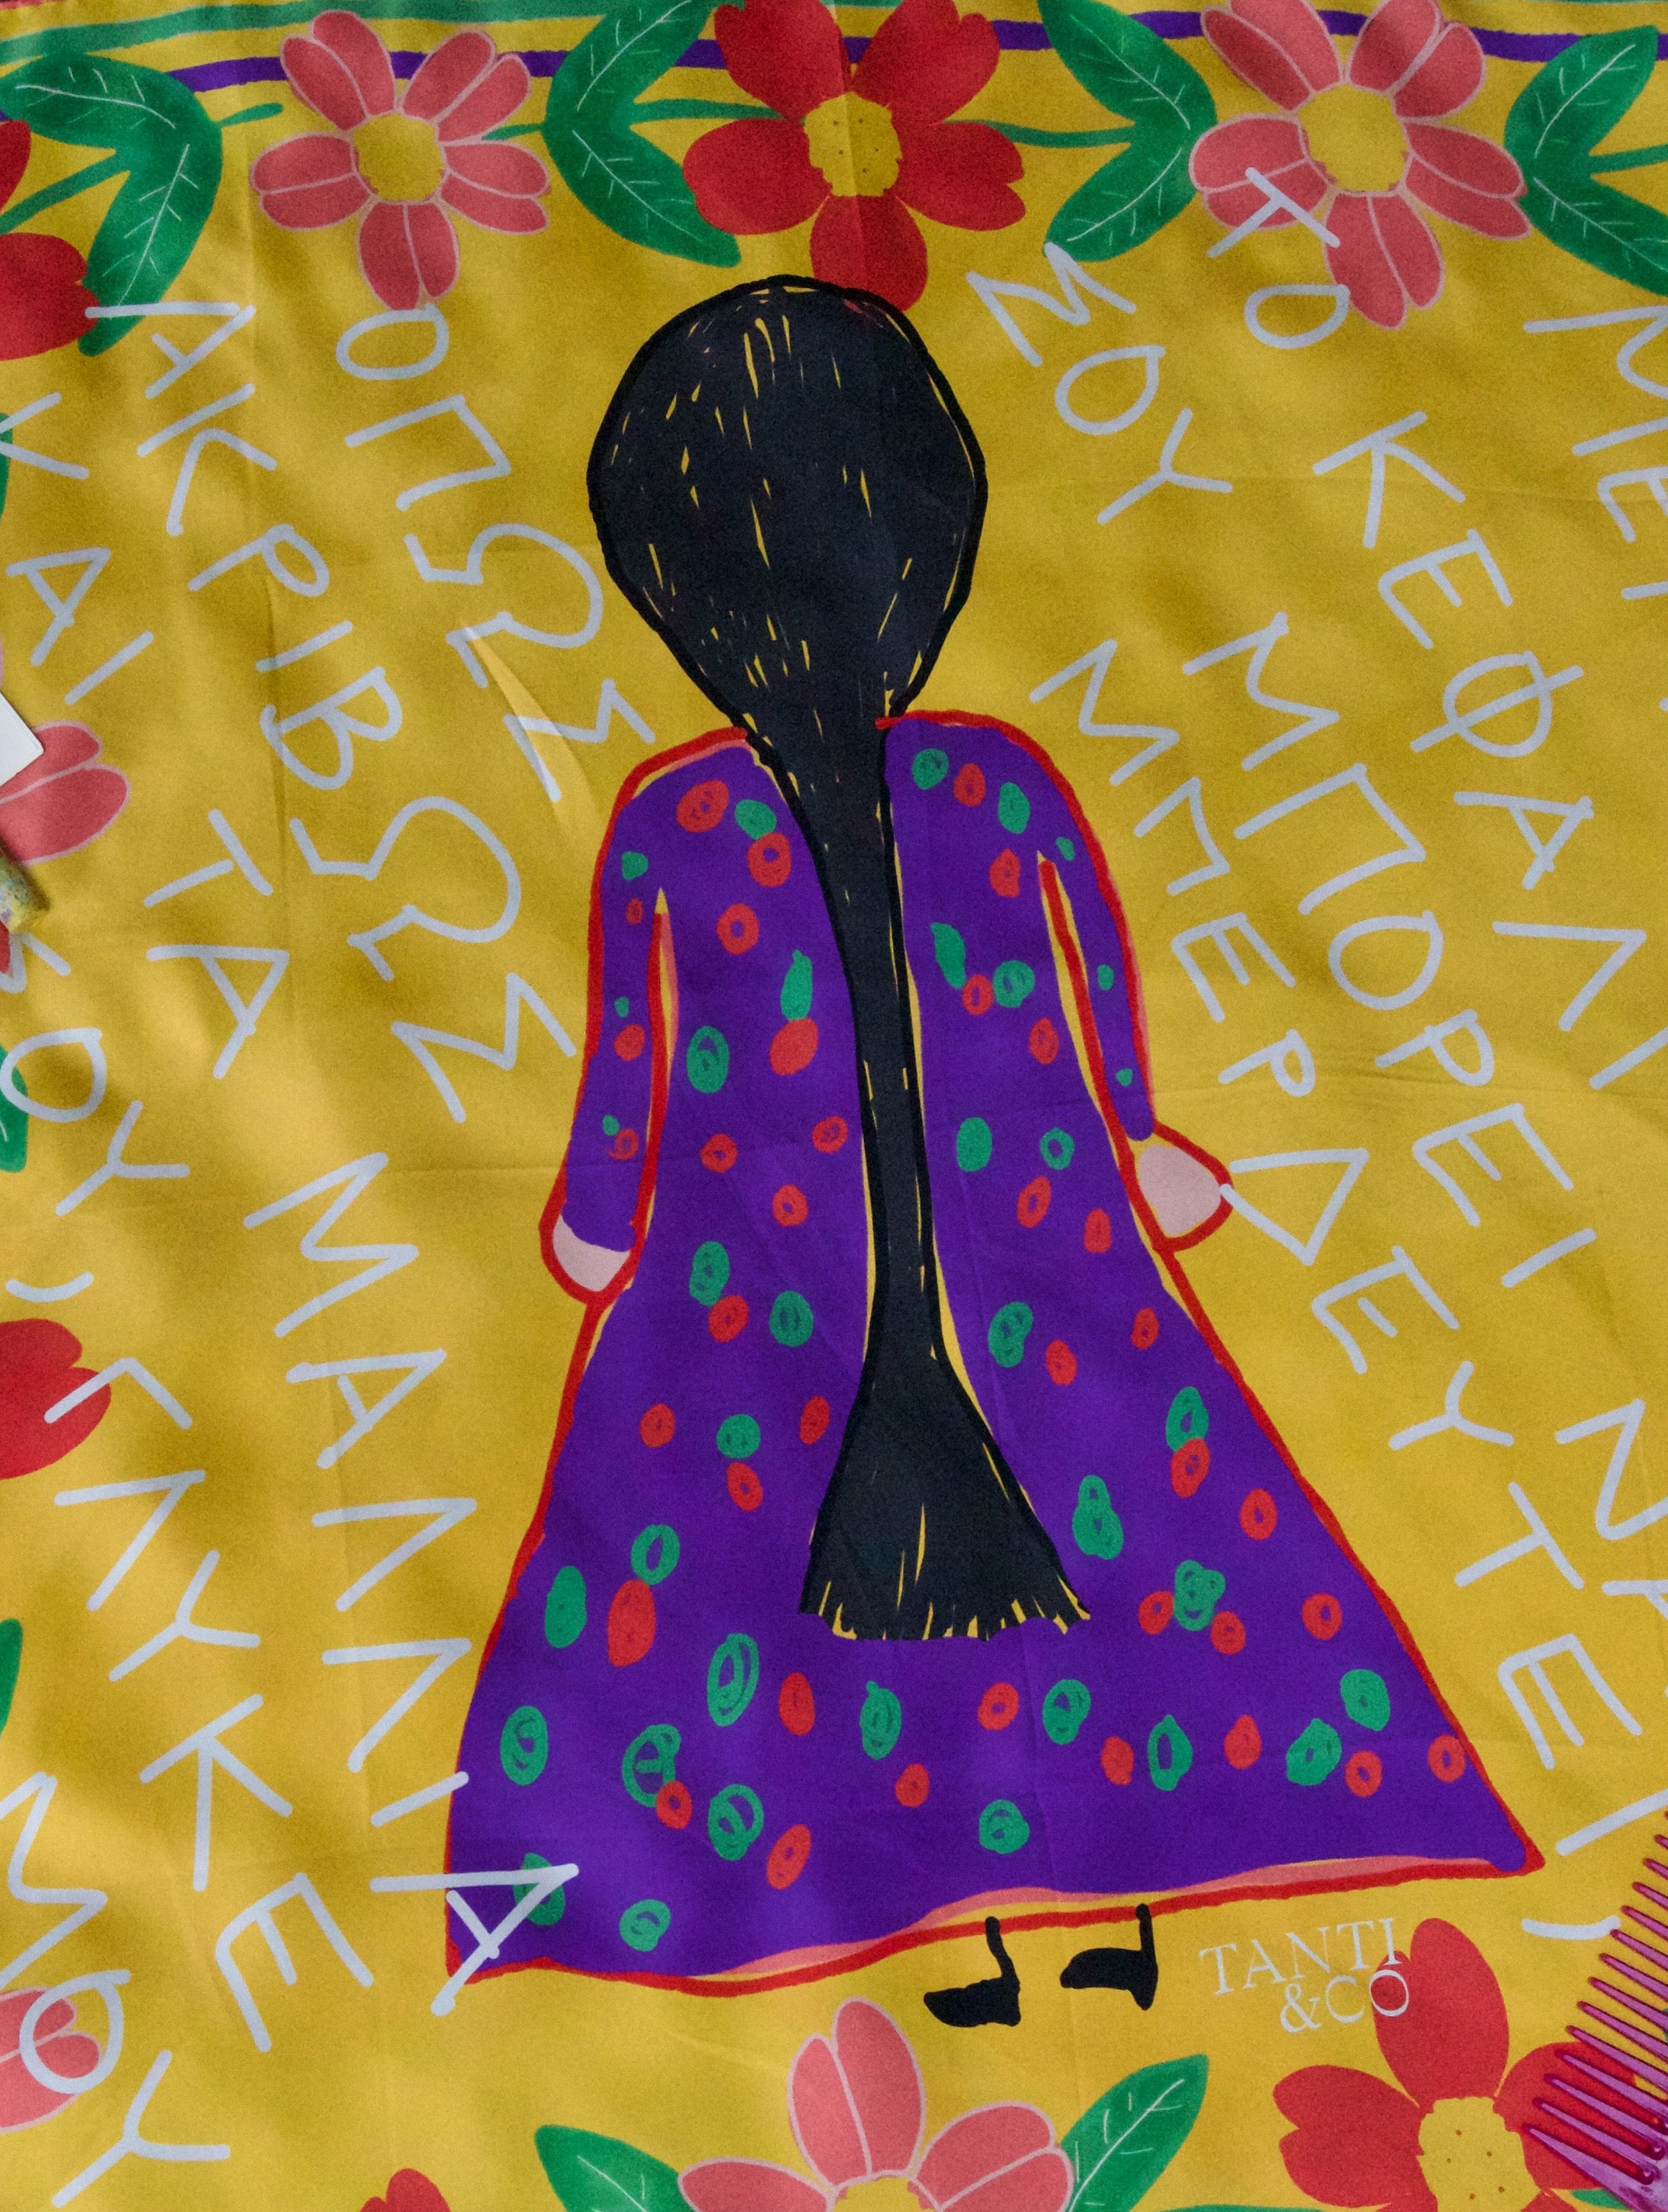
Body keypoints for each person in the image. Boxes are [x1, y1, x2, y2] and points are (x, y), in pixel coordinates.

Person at [447, 279, 1527, 1986]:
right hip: (1033, 1234)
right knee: (1122, 1534)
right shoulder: (991, 782)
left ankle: (967, 1922)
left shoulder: (676, 815)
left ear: (667, 579)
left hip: (743, 1270)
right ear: (930, 538)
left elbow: (625, 1075)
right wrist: (1135, 1138)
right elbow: (1086, 974)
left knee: (764, 1577)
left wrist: (596, 1217)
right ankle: (1118, 1901)